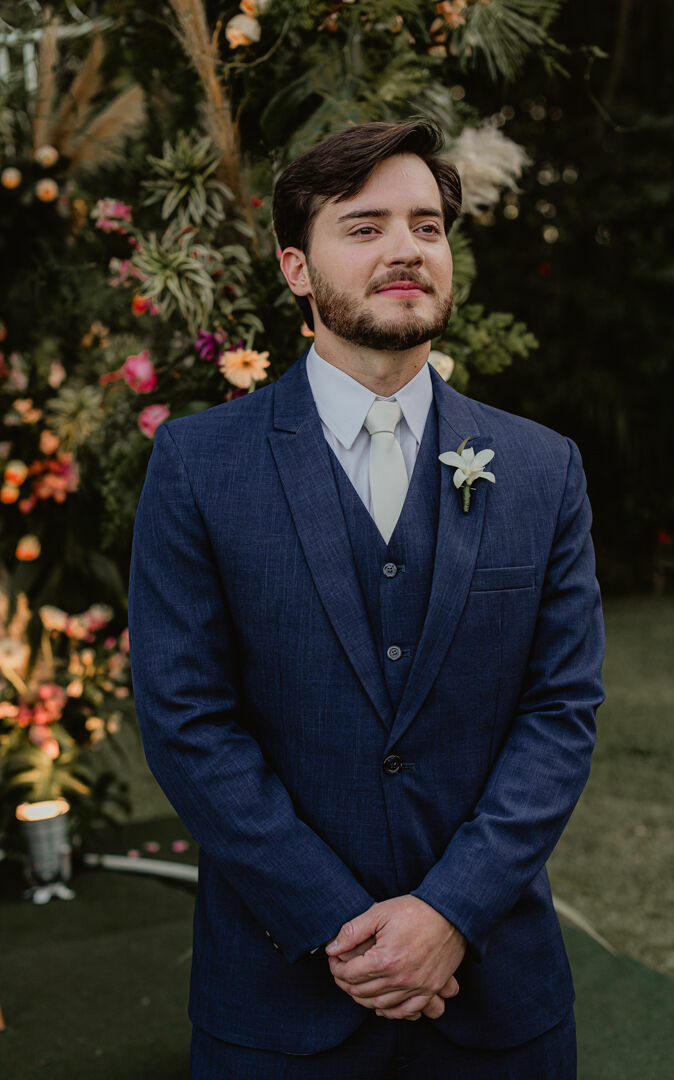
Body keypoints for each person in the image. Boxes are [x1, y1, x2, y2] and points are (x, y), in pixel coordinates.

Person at [128, 118, 604, 1079]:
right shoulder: (196, 464)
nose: (404, 250)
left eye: (426, 227)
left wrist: (447, 913)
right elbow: (185, 720)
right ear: (295, 268)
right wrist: (344, 928)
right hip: (279, 995)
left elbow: (560, 711)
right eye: (364, 226)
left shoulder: (541, 468)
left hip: (495, 996)